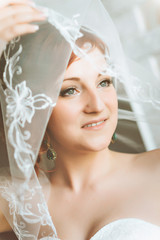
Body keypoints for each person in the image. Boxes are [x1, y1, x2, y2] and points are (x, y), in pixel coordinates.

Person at [0, 0, 160, 240]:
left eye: (104, 82)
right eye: (70, 90)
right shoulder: (17, 202)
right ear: (32, 107)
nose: (97, 106)